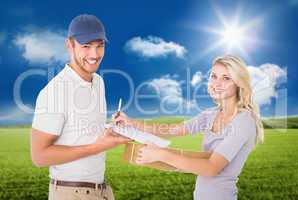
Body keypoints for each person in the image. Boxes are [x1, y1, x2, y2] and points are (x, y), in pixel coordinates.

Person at [114, 55, 264, 200]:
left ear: (238, 82)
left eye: (226, 78)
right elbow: (171, 130)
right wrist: (130, 122)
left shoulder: (244, 120)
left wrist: (160, 155)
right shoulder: (210, 115)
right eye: (213, 76)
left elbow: (211, 168)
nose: (217, 83)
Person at [31, 14, 131, 200]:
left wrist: (110, 130)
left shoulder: (98, 82)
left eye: (99, 45)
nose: (94, 55)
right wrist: (97, 146)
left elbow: (81, 132)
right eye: (86, 46)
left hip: (101, 190)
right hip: (71, 193)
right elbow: (39, 156)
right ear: (69, 44)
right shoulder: (55, 91)